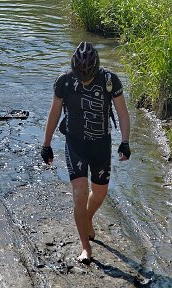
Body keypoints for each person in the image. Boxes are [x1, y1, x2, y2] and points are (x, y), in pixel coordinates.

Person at [41, 41, 131, 264]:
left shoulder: (110, 81)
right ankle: (85, 247)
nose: (85, 81)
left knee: (99, 193)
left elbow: (122, 113)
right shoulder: (63, 82)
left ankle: (86, 218)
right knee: (80, 194)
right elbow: (54, 113)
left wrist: (125, 142)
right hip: (75, 144)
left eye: (88, 77)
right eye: (81, 78)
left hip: (101, 144)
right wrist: (46, 144)